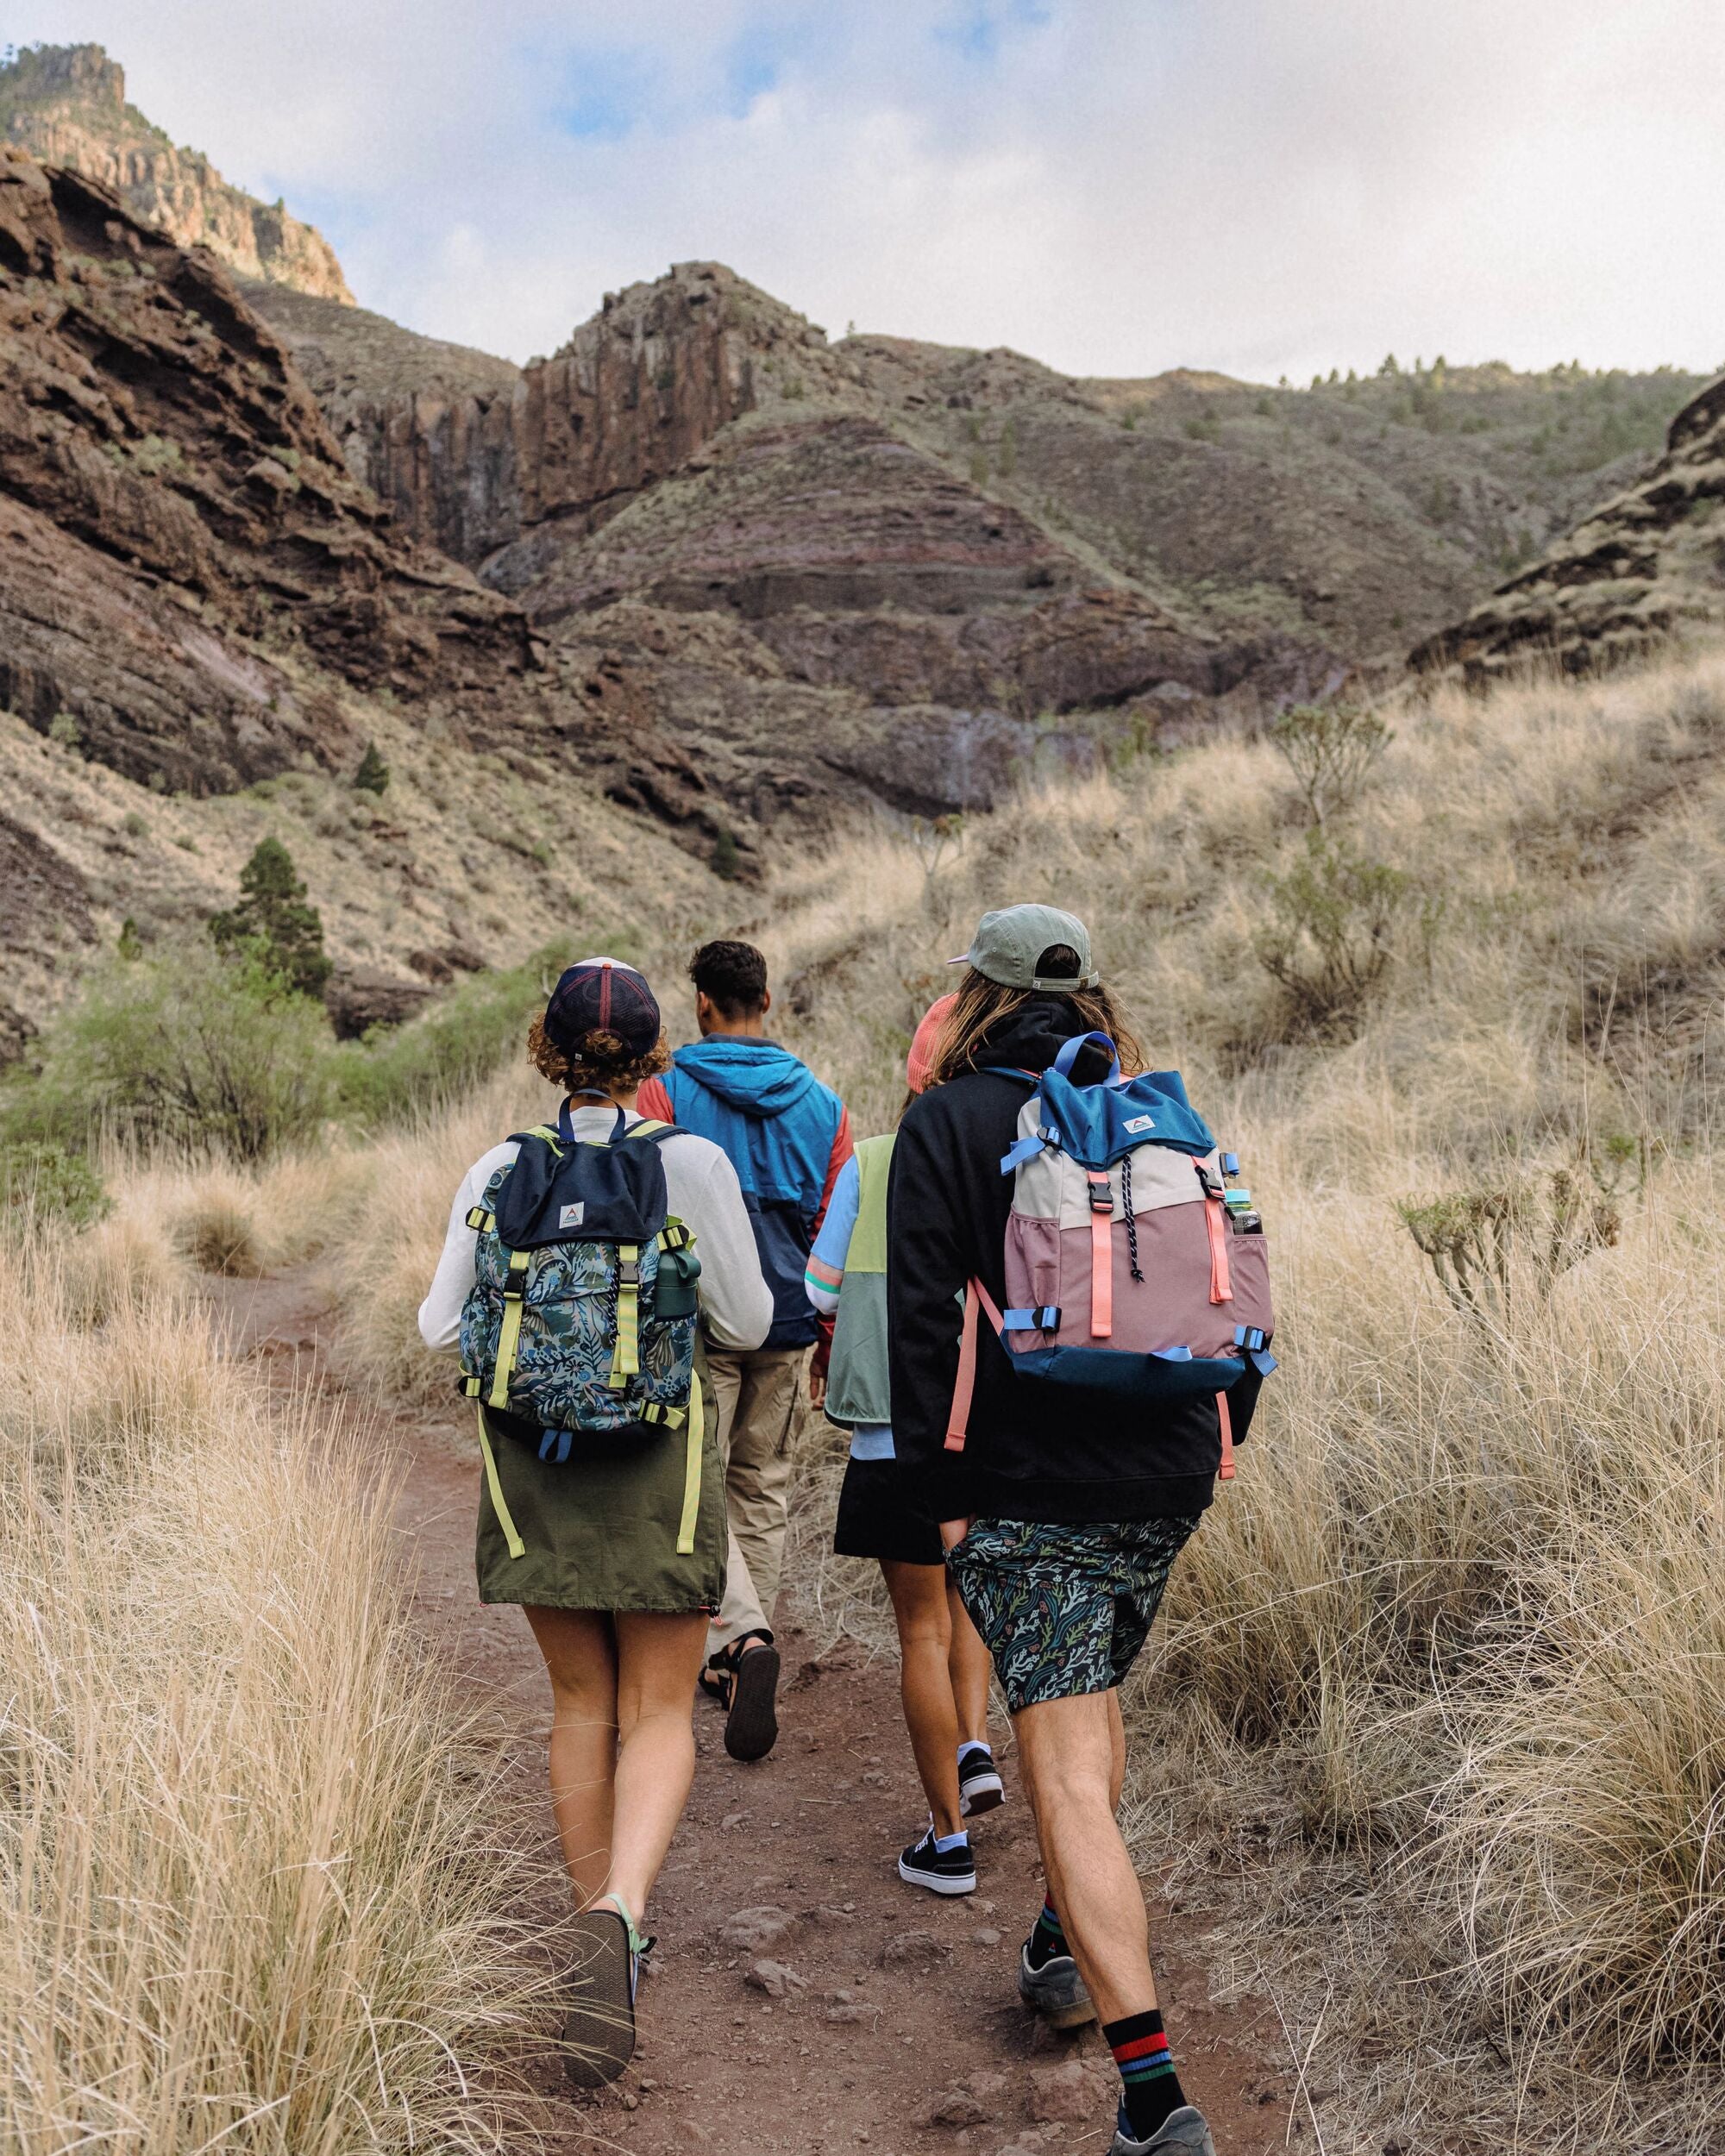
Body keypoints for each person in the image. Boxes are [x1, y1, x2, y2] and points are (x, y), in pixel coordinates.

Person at [888, 906, 1258, 2156]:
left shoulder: (943, 1123)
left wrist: (943, 1498)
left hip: (1027, 1490)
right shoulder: (1153, 1105)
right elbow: (1228, 1275)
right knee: (1086, 1715)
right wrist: (1220, 1429)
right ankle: (1057, 1940)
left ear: (973, 997)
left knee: (1063, 1770)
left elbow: (923, 1324)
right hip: (1167, 1471)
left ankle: (1153, 2099)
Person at [418, 957, 773, 2085]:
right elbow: (753, 1319)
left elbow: (438, 1327)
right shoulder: (690, 1161)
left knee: (579, 1702)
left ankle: (596, 1923)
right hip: (659, 1461)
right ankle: (621, 1912)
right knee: (659, 1710)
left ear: (549, 1048)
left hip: (532, 1466)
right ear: (654, 1052)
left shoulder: (500, 1166)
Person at [803, 994, 1003, 1898]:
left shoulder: (877, 1158)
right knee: (970, 1608)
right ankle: (976, 1743)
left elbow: (817, 1286)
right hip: (991, 1426)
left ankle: (946, 1841)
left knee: (917, 1627)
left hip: (893, 1429)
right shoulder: (1008, 1147)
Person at [637, 939, 851, 1760]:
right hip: (790, 1321)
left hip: (698, 1321)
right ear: (768, 1000)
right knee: (761, 1485)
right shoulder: (826, 1107)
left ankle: (739, 1637)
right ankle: (734, 1655)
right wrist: (828, 1337)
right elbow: (834, 1229)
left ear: (703, 1004)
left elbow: (644, 1204)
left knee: (694, 1485)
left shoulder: (665, 1093)